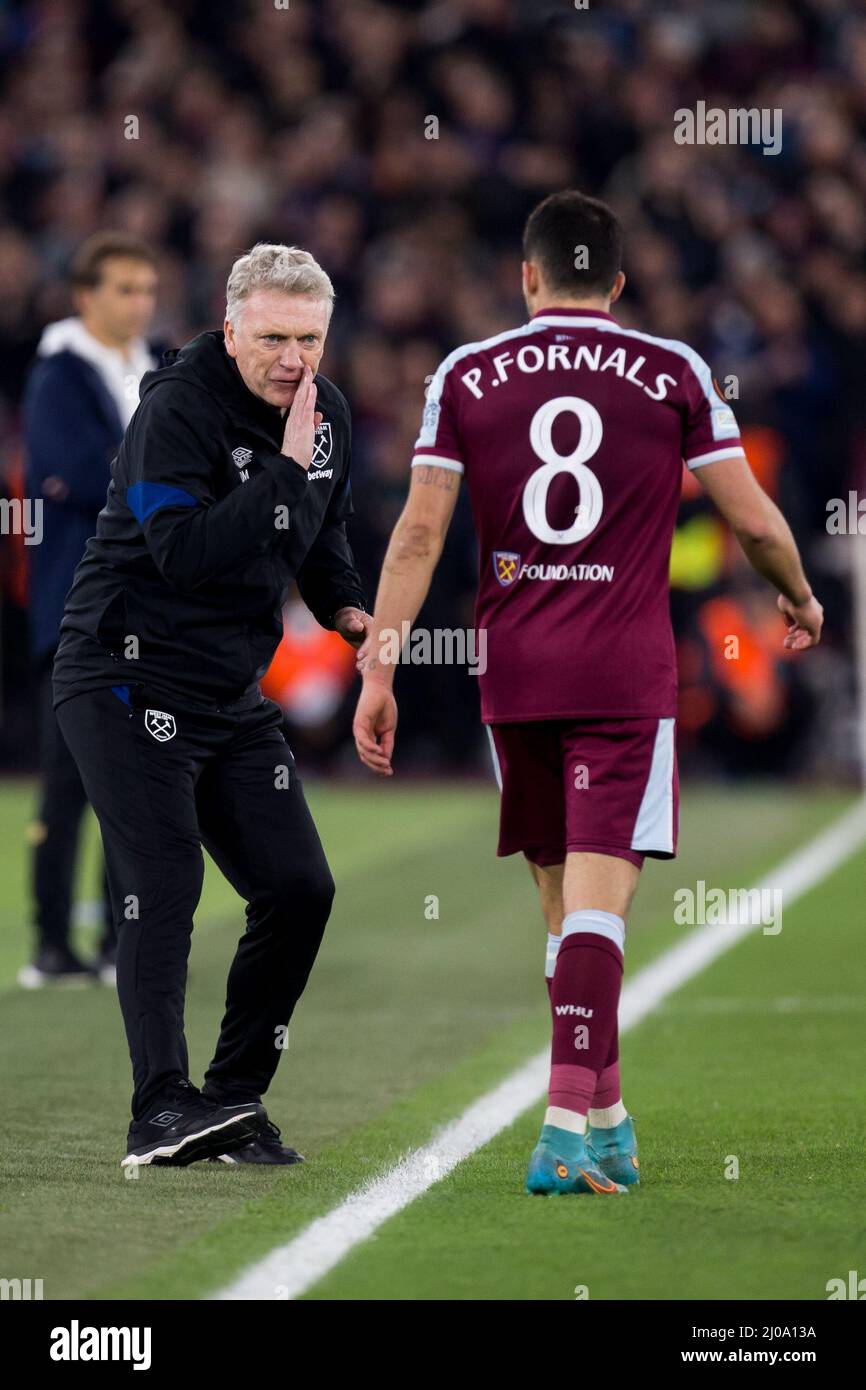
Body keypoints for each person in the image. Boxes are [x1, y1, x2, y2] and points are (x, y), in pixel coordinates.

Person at [352, 191, 823, 1196]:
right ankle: (562, 1127)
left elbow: (418, 536)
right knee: (602, 909)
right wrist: (796, 592)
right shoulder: (673, 370)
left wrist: (380, 665)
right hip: (620, 670)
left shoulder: (463, 373)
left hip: (513, 672)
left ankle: (604, 1116)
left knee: (563, 913)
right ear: (616, 283)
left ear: (525, 276)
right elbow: (749, 518)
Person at [53, 243, 370, 1167]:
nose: (292, 359)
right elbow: (185, 552)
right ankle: (159, 1109)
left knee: (300, 888)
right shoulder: (177, 407)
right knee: (164, 883)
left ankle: (230, 1102)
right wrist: (280, 467)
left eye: (309, 339)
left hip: (229, 691)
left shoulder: (326, 415)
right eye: (272, 337)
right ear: (229, 329)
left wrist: (347, 605)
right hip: (123, 674)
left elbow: (323, 533)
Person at [21, 233, 158, 987]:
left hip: (150, 608)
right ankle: (50, 942)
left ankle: (120, 939)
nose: (140, 303)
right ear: (85, 295)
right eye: (125, 289)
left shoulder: (156, 362)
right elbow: (72, 474)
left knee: (138, 780)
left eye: (147, 288)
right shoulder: (59, 375)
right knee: (67, 779)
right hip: (79, 606)